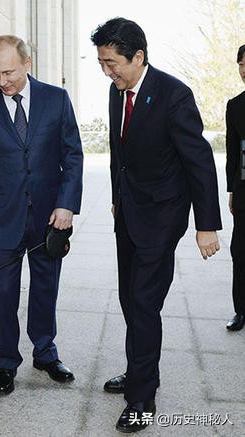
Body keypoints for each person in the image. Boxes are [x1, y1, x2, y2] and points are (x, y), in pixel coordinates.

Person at [90, 18, 222, 433]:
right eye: (101, 63)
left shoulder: (173, 94)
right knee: (131, 300)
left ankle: (142, 398)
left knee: (144, 304)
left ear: (138, 56)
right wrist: (115, 199)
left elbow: (198, 161)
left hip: (161, 217)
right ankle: (139, 371)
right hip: (129, 213)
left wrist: (207, 225)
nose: (107, 71)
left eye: (112, 63)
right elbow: (119, 154)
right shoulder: (118, 93)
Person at [0, 35, 83, 395]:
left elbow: (72, 156)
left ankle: (45, 352)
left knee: (46, 286)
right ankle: (6, 362)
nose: (2, 80)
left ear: (28, 63)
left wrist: (67, 203)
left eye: (8, 71)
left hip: (48, 215)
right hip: (3, 215)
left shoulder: (56, 99)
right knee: (4, 291)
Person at [225, 44, 245, 331]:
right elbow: (232, 153)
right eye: (241, 64)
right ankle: (240, 310)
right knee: (240, 251)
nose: (244, 70)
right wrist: (231, 190)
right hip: (244, 191)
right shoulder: (236, 105)